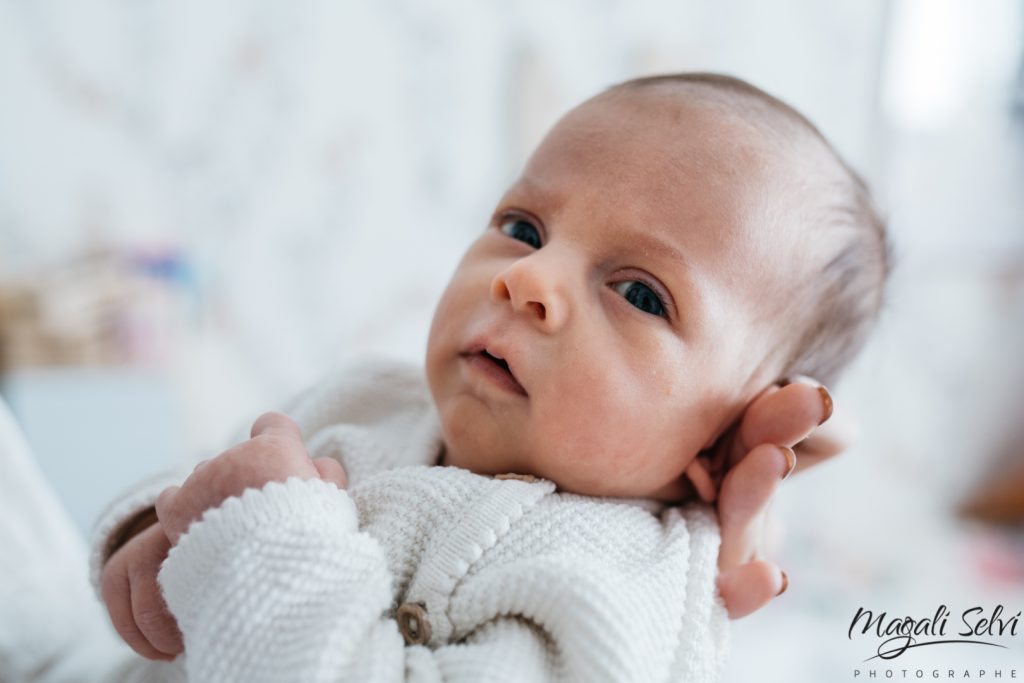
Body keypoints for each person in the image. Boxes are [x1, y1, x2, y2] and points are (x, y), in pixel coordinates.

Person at [61, 73, 886, 682]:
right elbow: (197, 499)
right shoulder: (367, 396)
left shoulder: (620, 589)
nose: (529, 279)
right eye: (525, 227)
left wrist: (262, 535)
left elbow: (258, 540)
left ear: (727, 435)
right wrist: (153, 533)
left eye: (639, 292)